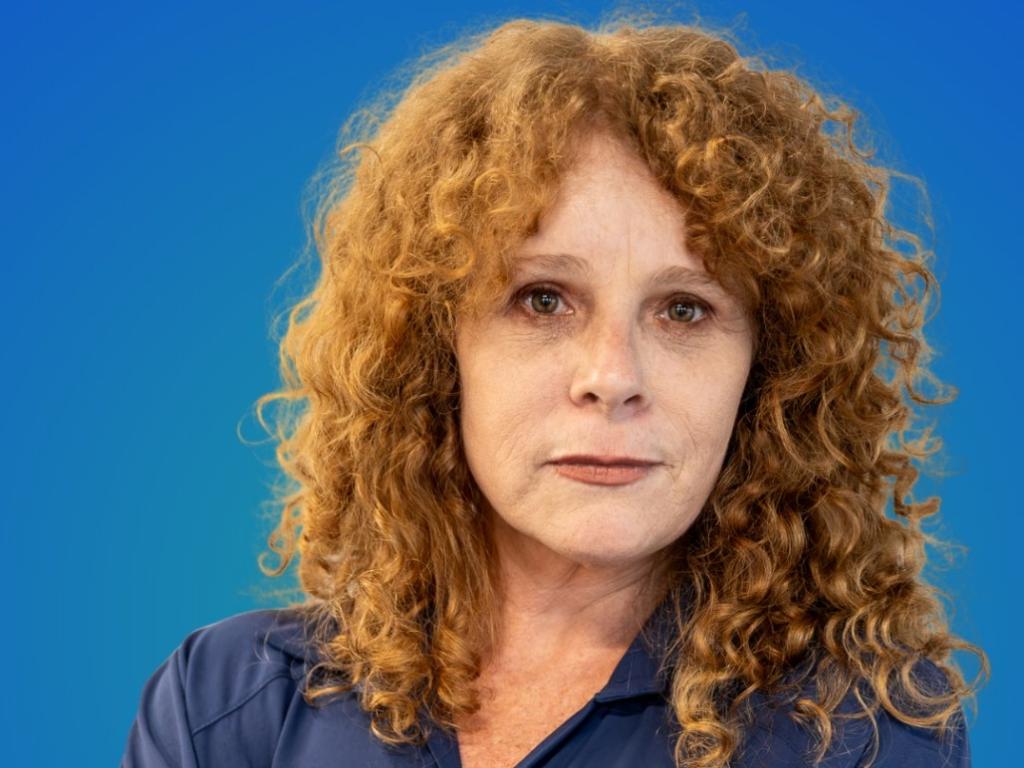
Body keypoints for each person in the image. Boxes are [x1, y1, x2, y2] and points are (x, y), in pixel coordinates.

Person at [122, 12, 988, 768]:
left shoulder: (862, 732)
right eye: (542, 299)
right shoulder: (227, 705)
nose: (612, 377)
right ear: (434, 346)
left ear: (769, 374)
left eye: (685, 309)